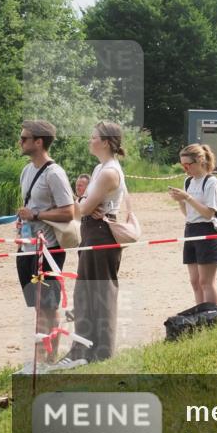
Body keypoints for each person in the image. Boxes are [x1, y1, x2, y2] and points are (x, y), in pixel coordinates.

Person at [15, 120, 76, 361]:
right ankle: (41, 358)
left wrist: (36, 215)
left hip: (49, 249)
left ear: (38, 142)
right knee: (36, 307)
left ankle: (47, 360)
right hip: (26, 247)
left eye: (24, 139)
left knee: (48, 307)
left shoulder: (55, 173)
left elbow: (69, 211)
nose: (20, 142)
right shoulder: (27, 170)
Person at [68, 121, 127, 364]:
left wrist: (77, 203)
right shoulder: (99, 169)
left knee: (101, 294)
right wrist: (82, 204)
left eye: (93, 137)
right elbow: (84, 206)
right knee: (84, 293)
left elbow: (81, 209)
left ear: (105, 142)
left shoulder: (109, 172)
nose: (89, 141)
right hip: (92, 232)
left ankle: (102, 354)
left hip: (102, 233)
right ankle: (84, 349)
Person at [170, 143, 217, 308]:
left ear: (200, 161)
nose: (185, 169)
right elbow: (188, 214)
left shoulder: (210, 182)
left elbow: (209, 213)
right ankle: (200, 313)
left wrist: (187, 198)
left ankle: (212, 315)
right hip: (191, 230)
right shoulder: (188, 181)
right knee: (195, 281)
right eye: (183, 165)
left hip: (208, 231)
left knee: (206, 281)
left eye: (188, 165)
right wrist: (180, 201)